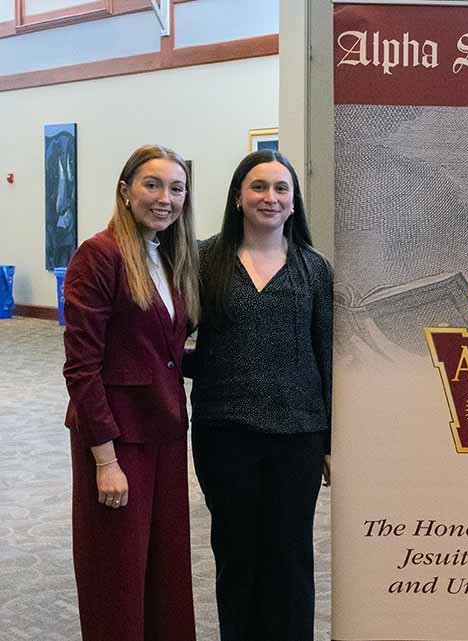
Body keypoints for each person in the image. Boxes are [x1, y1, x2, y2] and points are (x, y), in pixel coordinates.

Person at [188, 150, 333, 641]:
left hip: (299, 435)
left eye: (280, 189)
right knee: (236, 554)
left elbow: (325, 355)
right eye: (258, 187)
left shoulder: (315, 269)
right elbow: (166, 340)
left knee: (290, 557)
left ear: (293, 202)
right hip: (224, 434)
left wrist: (331, 441)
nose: (270, 198)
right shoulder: (204, 259)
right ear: (237, 197)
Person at [62, 144, 199, 641]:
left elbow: (168, 352)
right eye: (152, 184)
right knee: (114, 576)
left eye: (177, 188)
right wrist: (105, 459)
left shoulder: (167, 256)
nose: (165, 198)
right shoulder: (98, 256)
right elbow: (81, 368)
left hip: (163, 431)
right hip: (116, 440)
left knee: (165, 569)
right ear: (125, 191)